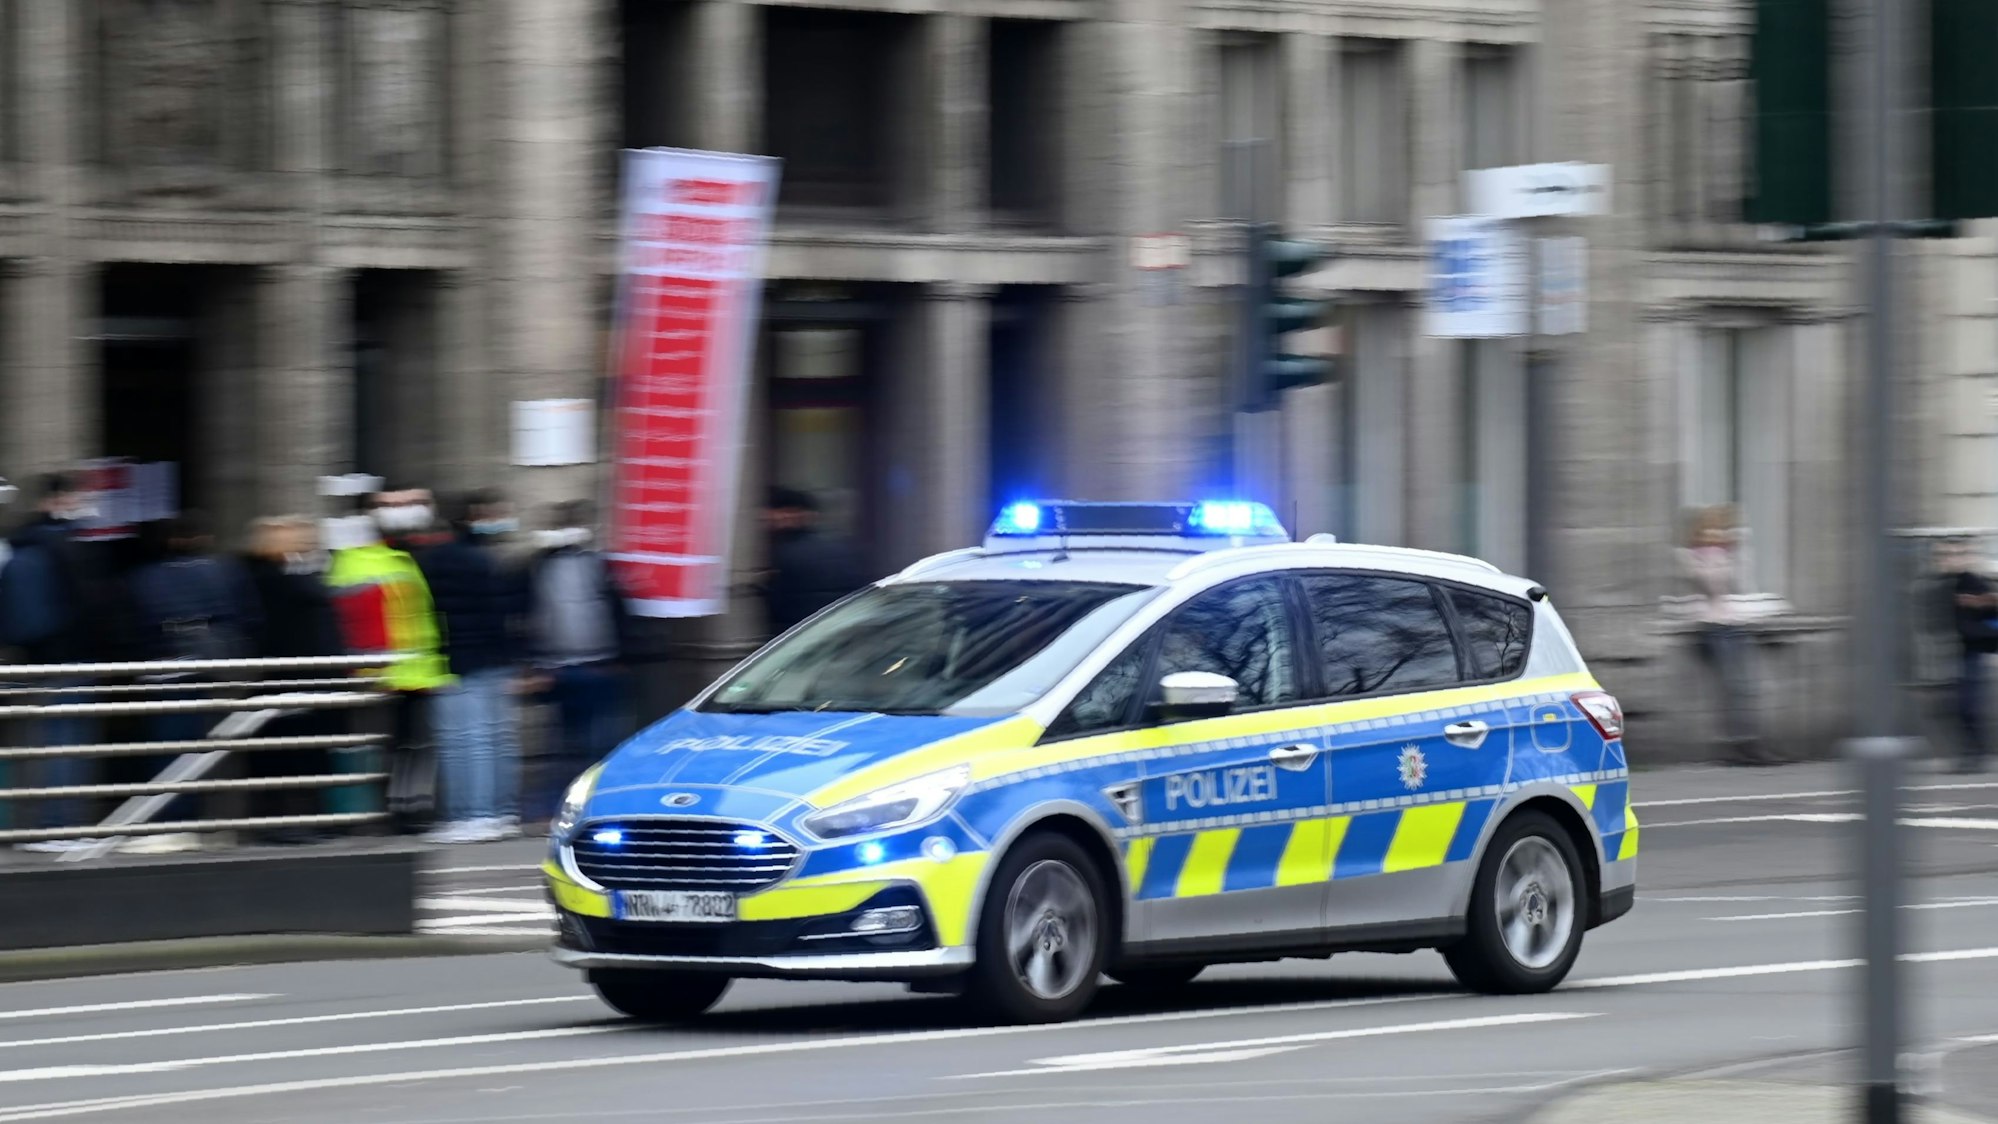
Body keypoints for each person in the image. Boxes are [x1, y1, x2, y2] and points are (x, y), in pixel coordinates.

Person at [0, 473, 127, 849]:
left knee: (47, 740)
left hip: (35, 657)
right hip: (70, 656)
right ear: (61, 499)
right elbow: (90, 601)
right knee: (67, 742)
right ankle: (57, 826)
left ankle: (46, 825)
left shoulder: (21, 543)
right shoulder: (63, 543)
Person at [125, 512, 258, 853]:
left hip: (166, 671)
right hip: (219, 670)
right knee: (218, 748)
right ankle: (217, 823)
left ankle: (169, 822)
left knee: (168, 749)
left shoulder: (144, 578)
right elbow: (248, 616)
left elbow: (135, 623)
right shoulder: (224, 572)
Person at [327, 490, 455, 834]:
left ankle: (410, 809)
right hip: (377, 674)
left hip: (416, 672)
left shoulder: (402, 558)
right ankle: (378, 811)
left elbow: (422, 616)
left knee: (413, 749)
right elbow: (350, 622)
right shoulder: (353, 562)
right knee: (379, 749)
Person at [417, 491, 525, 843]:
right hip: (492, 658)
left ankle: (472, 815)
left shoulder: (439, 559)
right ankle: (500, 812)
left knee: (464, 743)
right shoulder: (486, 558)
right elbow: (502, 614)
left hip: (458, 659)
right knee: (496, 740)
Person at [523, 500, 632, 829]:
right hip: (558, 668)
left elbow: (620, 610)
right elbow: (529, 615)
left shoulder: (602, 565)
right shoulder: (538, 566)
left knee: (601, 743)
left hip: (599, 664)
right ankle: (558, 807)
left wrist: (621, 657)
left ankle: (604, 806)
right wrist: (534, 665)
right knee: (561, 746)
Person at [241, 516, 348, 843]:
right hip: (290, 678)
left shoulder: (287, 577)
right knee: (289, 754)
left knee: (305, 753)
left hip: (306, 678)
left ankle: (306, 818)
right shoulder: (272, 580)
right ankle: (287, 820)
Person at [1677, 505, 1771, 766]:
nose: (1716, 534)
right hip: (1714, 628)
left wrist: (1736, 552)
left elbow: (1742, 582)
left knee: (1747, 687)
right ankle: (1736, 746)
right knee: (1732, 688)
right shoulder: (1694, 556)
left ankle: (1750, 743)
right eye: (1710, 529)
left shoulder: (1726, 554)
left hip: (1735, 624)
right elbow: (1713, 585)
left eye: (1720, 529)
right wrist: (1716, 559)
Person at [760, 486, 865, 635]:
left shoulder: (786, 555)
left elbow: (781, 606)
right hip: (835, 634)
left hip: (798, 638)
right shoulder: (841, 548)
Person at [1937, 538, 1997, 774]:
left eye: (1957, 554)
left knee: (1967, 705)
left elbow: (1992, 611)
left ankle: (1974, 754)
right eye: (1947, 554)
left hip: (1970, 651)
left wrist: (1978, 603)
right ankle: (1971, 752)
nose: (1951, 558)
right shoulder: (1948, 583)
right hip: (1952, 650)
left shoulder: (1973, 581)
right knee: (1957, 705)